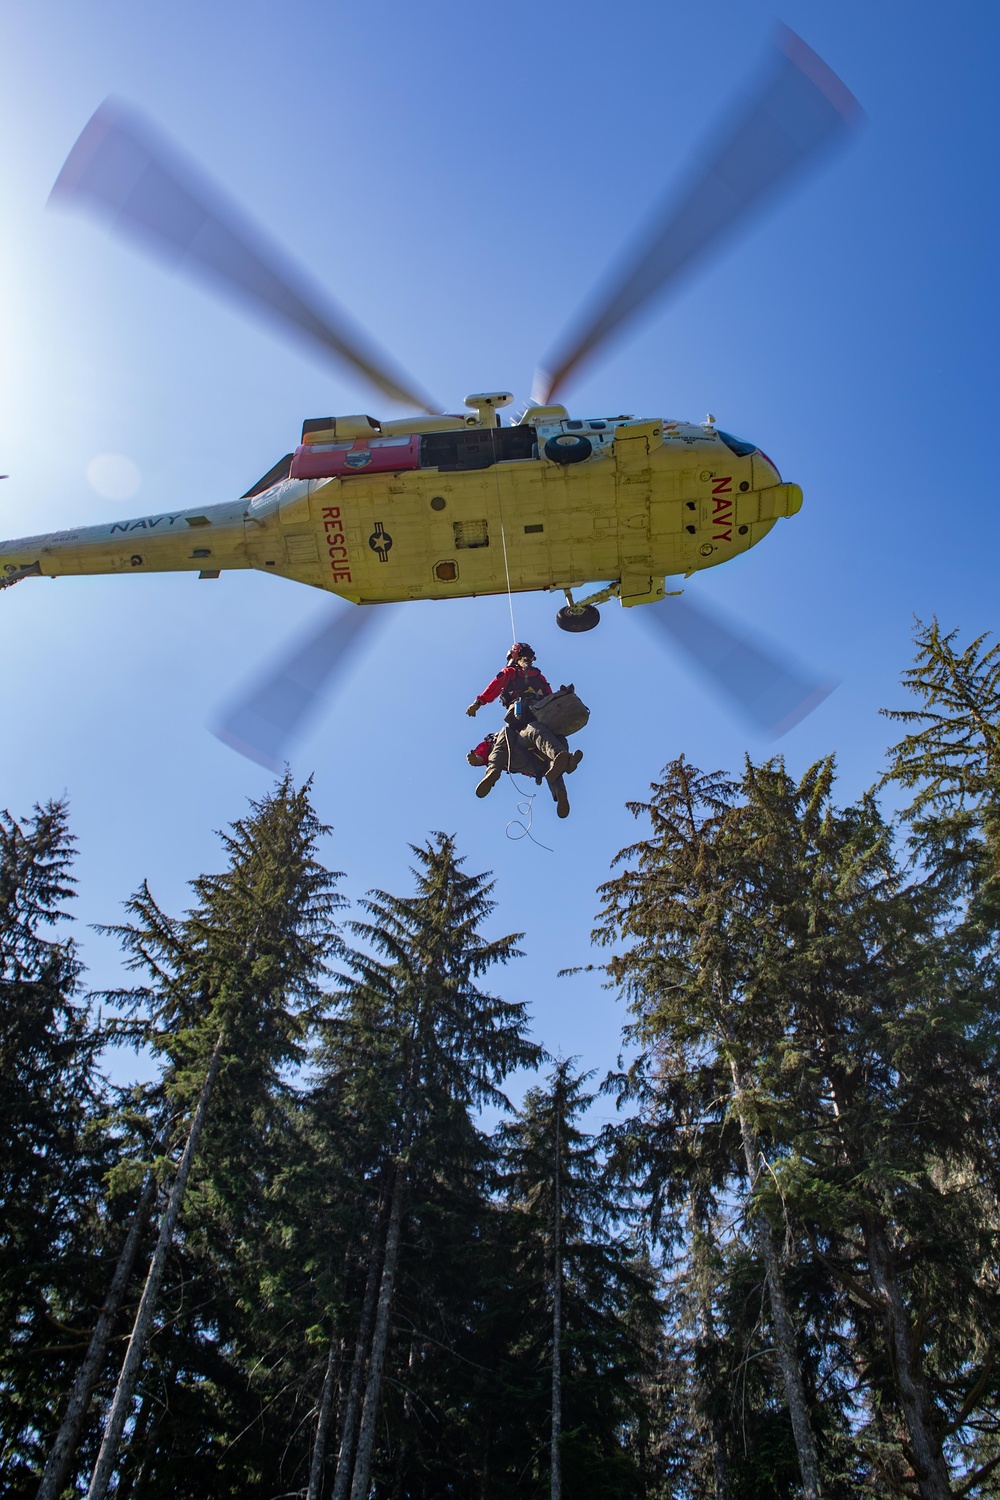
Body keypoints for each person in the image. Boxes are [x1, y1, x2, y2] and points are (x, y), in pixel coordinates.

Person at [466, 645, 580, 817]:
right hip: (518, 731)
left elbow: (549, 697)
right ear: (516, 658)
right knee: (512, 733)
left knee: (553, 738)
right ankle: (492, 773)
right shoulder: (511, 673)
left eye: (530, 657)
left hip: (533, 747)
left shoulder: (540, 678)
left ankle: (562, 782)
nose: (528, 660)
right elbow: (495, 686)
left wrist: (561, 699)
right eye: (524, 657)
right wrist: (478, 702)